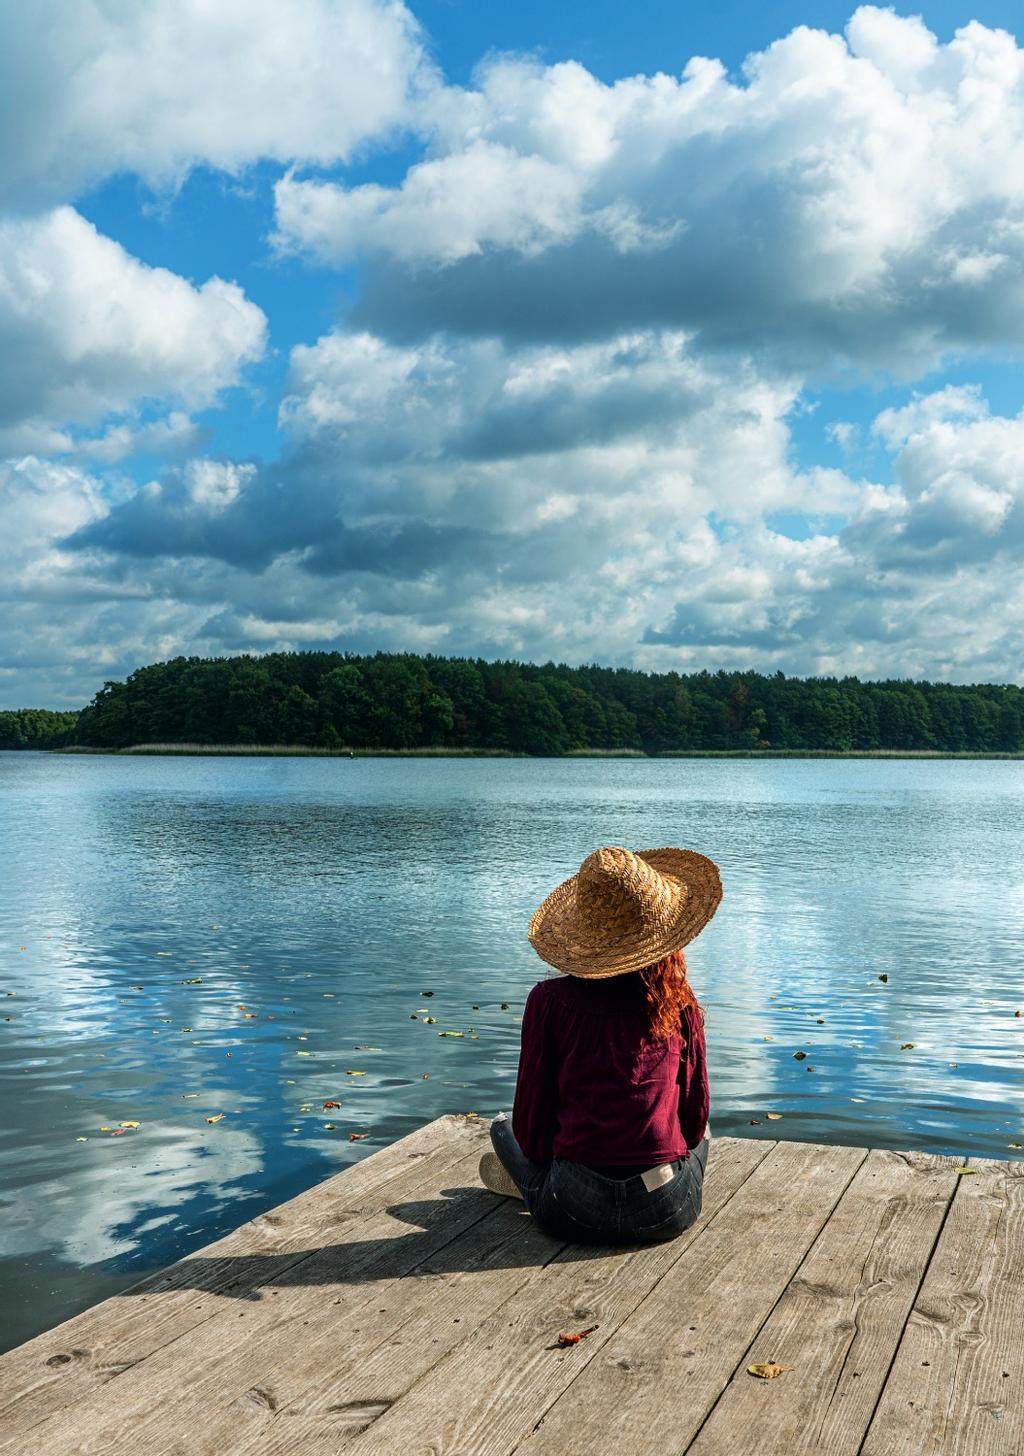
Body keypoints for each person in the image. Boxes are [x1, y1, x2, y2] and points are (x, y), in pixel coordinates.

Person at [479, 844, 723, 1245]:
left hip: (573, 1208)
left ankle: (534, 1186)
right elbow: (695, 1123)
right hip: (666, 1209)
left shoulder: (548, 1001)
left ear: (583, 934)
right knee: (705, 1130)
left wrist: (554, 1164)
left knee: (504, 1128)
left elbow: (532, 1127)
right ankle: (538, 1184)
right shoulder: (679, 1004)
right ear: (664, 936)